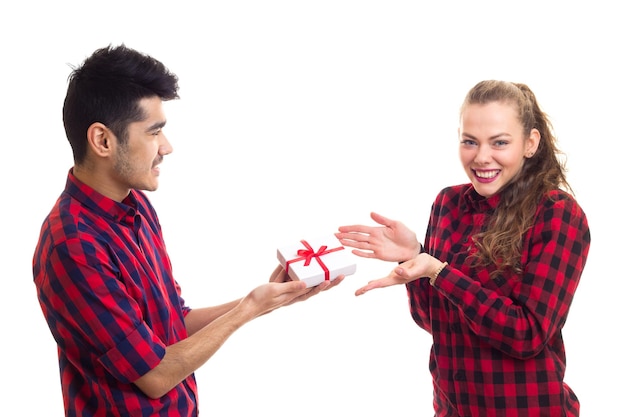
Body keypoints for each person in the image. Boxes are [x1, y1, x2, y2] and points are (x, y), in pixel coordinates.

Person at [32, 44, 343, 417]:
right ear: (102, 140)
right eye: (153, 132)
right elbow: (156, 374)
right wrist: (247, 310)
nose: (167, 146)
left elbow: (173, 324)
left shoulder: (137, 208)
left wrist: (269, 299)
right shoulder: (74, 245)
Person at [336, 80, 590, 417]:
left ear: (530, 143)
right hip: (452, 409)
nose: (481, 157)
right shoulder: (448, 203)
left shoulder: (556, 213)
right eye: (469, 142)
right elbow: (434, 321)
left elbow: (527, 334)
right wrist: (413, 257)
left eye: (499, 142)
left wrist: (439, 272)